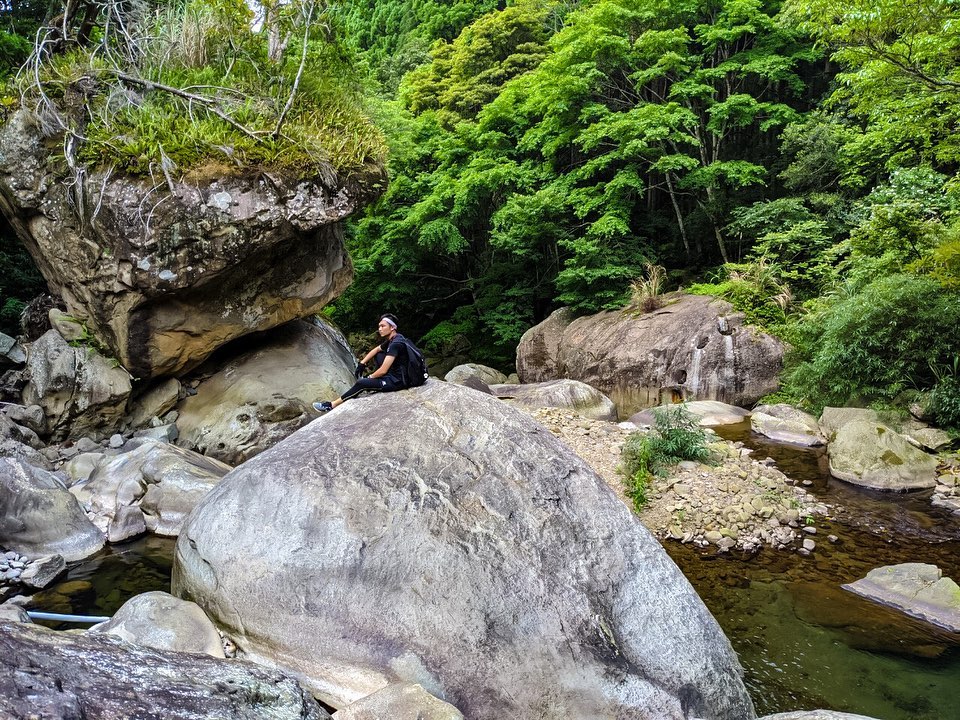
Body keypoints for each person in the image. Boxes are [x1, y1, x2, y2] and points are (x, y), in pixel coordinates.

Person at [313, 314, 409, 413]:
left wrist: (370, 378)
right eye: (379, 326)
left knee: (361, 383)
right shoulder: (395, 338)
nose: (379, 329)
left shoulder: (395, 344)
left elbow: (383, 370)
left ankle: (331, 405)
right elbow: (376, 350)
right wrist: (362, 363)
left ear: (392, 327)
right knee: (379, 354)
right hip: (396, 374)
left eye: (383, 326)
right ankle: (376, 380)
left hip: (398, 381)